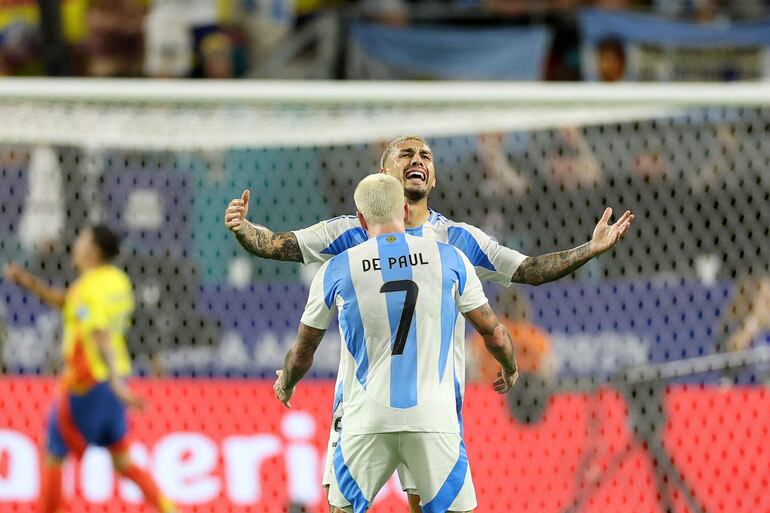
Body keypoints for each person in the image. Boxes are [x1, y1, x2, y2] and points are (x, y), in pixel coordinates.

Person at [224, 135, 634, 511]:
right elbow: (280, 244)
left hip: (429, 407)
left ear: (433, 177)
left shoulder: (457, 239)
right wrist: (243, 229)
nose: (417, 159)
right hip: (363, 407)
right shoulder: (350, 231)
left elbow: (527, 269)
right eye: (406, 153)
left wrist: (589, 249)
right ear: (384, 175)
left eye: (426, 156)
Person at [273, 174, 519, 513]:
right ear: (405, 210)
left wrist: (286, 382)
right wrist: (510, 367)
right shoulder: (450, 258)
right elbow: (495, 334)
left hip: (365, 421)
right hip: (433, 420)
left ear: (360, 219)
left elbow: (303, 352)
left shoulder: (336, 269)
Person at [3, 224, 177, 513]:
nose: (76, 244)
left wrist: (119, 388)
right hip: (113, 384)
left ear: (93, 251)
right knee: (123, 462)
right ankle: (170, 509)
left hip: (89, 384)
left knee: (54, 453)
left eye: (81, 239)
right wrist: (30, 283)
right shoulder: (117, 282)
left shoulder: (88, 289)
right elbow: (68, 303)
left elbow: (99, 336)